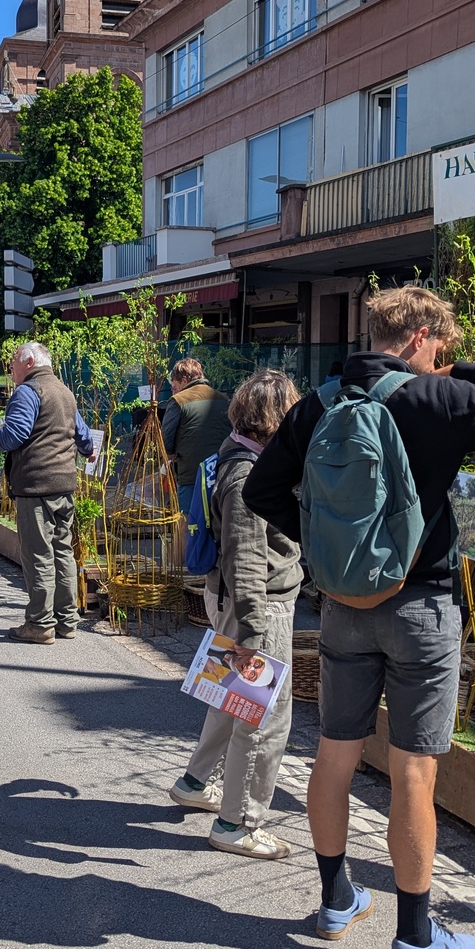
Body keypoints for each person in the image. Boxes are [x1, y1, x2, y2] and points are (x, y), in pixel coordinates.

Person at [243, 285, 475, 949]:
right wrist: (460, 371)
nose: (443, 356)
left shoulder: (321, 402)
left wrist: (326, 553)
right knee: (414, 768)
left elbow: (259, 490)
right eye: (441, 344)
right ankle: (416, 935)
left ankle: (335, 901)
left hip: (343, 606)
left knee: (334, 752)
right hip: (421, 607)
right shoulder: (435, 398)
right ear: (420, 337)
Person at [170, 369, 303, 860]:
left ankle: (194, 782)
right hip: (257, 606)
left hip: (230, 599)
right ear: (277, 419)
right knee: (264, 719)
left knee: (233, 700)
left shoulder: (231, 454)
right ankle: (237, 823)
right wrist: (253, 629)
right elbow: (246, 557)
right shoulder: (249, 473)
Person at [0, 342, 94, 645]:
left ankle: (40, 624)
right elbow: (83, 436)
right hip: (64, 484)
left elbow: (14, 435)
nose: (10, 368)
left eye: (13, 361)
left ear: (29, 362)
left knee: (38, 554)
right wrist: (88, 451)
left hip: (36, 485)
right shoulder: (64, 392)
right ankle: (67, 621)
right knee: (62, 551)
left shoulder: (28, 392)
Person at [161, 358, 231, 517]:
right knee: (217, 520)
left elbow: (166, 442)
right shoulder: (224, 399)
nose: (173, 391)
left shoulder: (178, 400)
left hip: (191, 474)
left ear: (184, 380)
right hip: (220, 471)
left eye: (174, 386)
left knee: (188, 521)